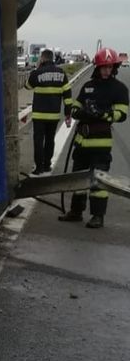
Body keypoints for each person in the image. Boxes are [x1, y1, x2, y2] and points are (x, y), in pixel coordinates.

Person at [59, 47, 129, 229]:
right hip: (82, 141)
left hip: (101, 142)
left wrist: (103, 114)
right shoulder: (88, 86)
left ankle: (98, 215)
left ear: (114, 68)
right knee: (78, 178)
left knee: (99, 180)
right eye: (103, 67)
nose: (106, 70)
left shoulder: (119, 89)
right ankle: (76, 211)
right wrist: (80, 112)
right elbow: (75, 107)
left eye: (109, 67)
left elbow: (121, 114)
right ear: (97, 67)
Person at [25, 49, 72, 175]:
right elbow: (67, 95)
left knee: (38, 141)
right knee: (50, 140)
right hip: (54, 115)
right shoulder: (62, 73)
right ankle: (47, 165)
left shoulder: (37, 72)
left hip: (39, 116)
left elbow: (27, 86)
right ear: (52, 58)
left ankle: (39, 167)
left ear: (42, 58)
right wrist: (68, 113)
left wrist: (36, 69)